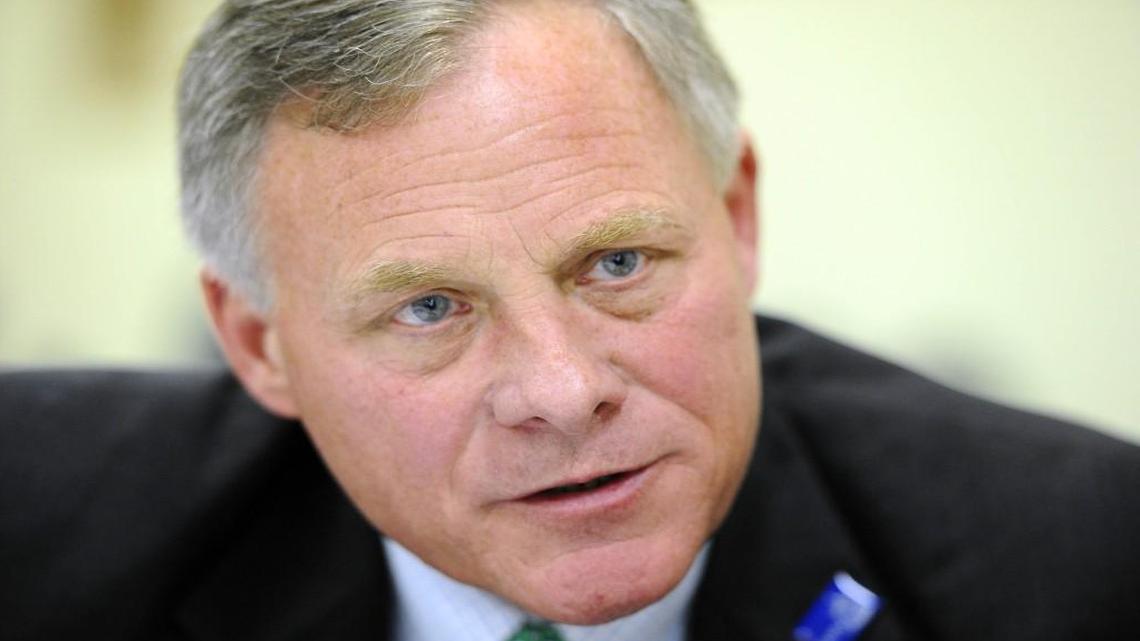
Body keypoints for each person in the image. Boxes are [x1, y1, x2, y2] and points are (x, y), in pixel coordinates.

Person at [2, 1, 1137, 640]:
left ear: (738, 216)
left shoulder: (1083, 562)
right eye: (429, 307)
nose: (562, 389)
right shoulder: (35, 525)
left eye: (617, 262)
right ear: (260, 344)